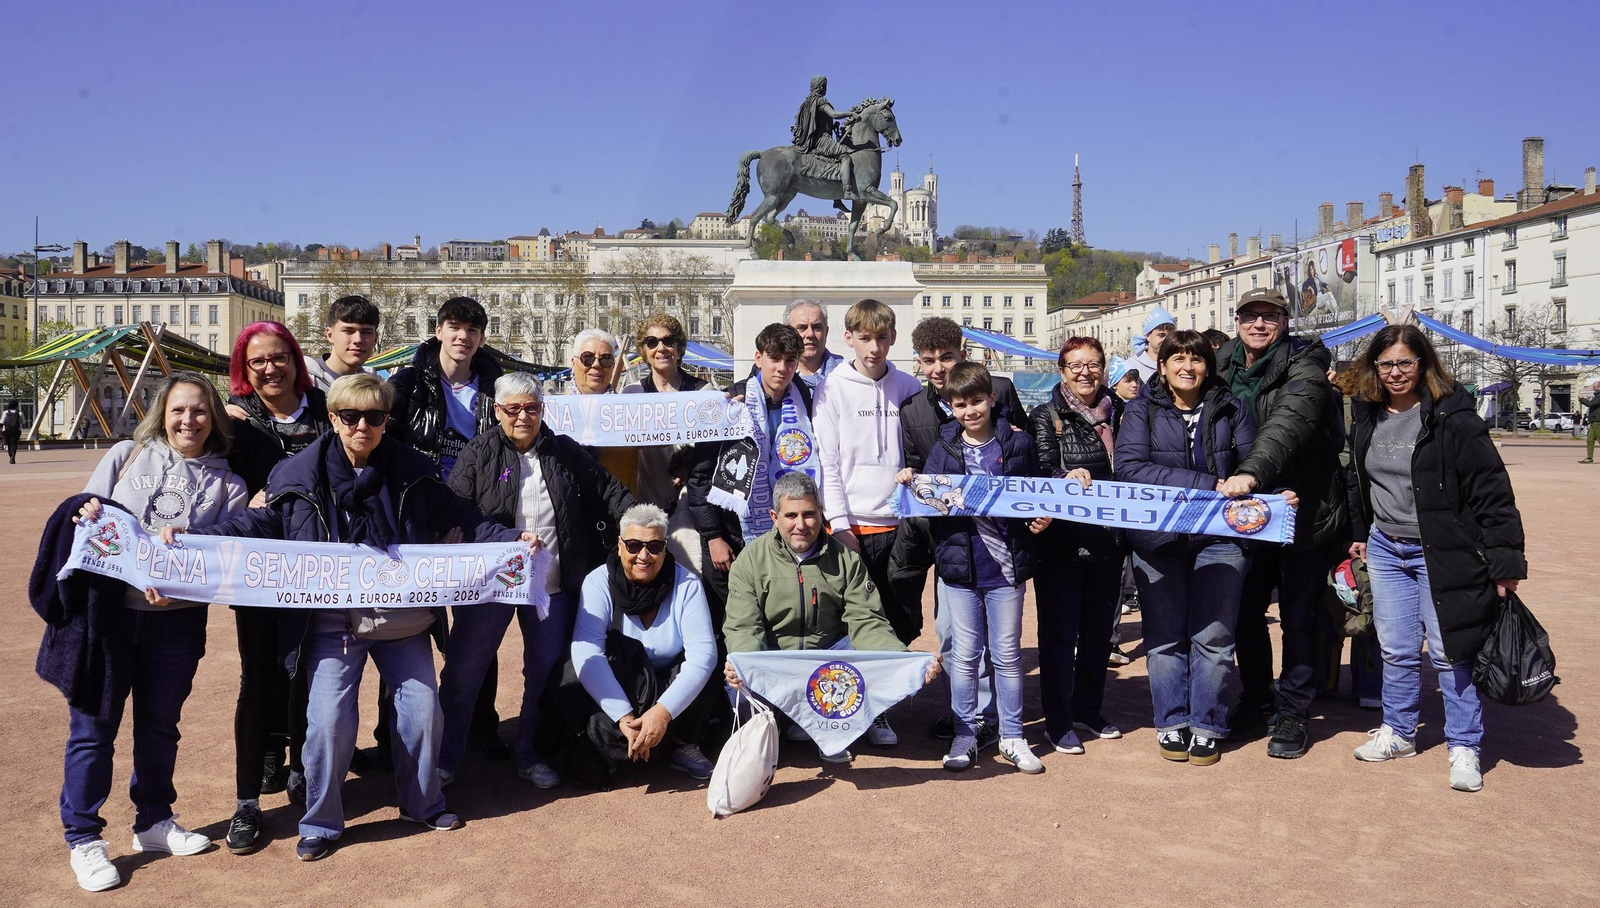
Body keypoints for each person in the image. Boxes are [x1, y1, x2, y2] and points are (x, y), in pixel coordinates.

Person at [172, 373, 537, 862]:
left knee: (423, 712)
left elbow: (466, 518)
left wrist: (510, 540)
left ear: (387, 420)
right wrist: (196, 538)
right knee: (326, 723)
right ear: (333, 418)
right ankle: (321, 822)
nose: (362, 425)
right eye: (351, 416)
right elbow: (257, 524)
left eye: (374, 416)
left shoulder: (415, 470)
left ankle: (423, 803)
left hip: (402, 619)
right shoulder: (298, 474)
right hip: (332, 622)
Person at [62, 373, 248, 892]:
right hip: (110, 616)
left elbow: (222, 563)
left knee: (160, 725)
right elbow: (83, 519)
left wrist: (181, 582)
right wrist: (86, 512)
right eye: (179, 411)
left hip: (178, 619)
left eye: (200, 411)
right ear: (162, 415)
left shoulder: (229, 484)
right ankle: (83, 837)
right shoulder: (125, 455)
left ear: (214, 418)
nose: (189, 420)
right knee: (93, 727)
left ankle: (153, 821)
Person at [1346, 325, 1526, 792]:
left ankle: (1464, 746)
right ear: (1374, 368)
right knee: (1396, 648)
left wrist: (1506, 562)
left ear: (1424, 363)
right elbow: (1360, 482)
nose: (1395, 372)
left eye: (1405, 362)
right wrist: (1360, 533)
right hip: (1386, 546)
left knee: (1451, 652)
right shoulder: (1367, 413)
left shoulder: (1454, 417)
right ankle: (1399, 732)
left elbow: (1491, 489)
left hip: (1442, 550)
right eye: (1386, 364)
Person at [440, 372, 636, 790]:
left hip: (550, 582)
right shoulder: (478, 453)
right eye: (513, 408)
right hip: (491, 584)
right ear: (498, 411)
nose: (523, 416)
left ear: (542, 409)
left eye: (531, 407)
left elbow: (609, 490)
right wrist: (478, 534)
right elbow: (454, 508)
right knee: (463, 672)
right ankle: (446, 759)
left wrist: (646, 525)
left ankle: (528, 753)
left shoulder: (564, 451)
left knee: (544, 673)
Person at [1115, 331, 1265, 766]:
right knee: (1164, 638)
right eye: (1177, 358)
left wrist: (1256, 482)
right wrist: (1208, 485)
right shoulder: (1140, 409)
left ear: (1207, 366)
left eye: (1196, 359)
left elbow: (1253, 459)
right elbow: (1129, 467)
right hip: (1158, 539)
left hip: (1220, 538)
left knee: (1215, 637)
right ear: (1161, 367)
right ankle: (1171, 721)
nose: (1187, 366)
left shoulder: (1231, 406)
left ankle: (1206, 726)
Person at [723, 472, 940, 764]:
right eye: (791, 516)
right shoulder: (750, 560)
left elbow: (867, 622)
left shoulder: (846, 559)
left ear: (821, 513)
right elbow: (743, 626)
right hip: (778, 664)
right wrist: (743, 661)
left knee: (861, 653)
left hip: (827, 665)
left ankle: (833, 728)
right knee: (734, 683)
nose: (801, 525)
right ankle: (798, 724)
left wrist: (903, 661)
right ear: (775, 517)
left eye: (809, 514)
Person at [896, 362, 1050, 774]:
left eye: (977, 401)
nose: (970, 411)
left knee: (1006, 655)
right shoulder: (943, 448)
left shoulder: (1019, 444)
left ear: (992, 399)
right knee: (964, 655)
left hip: (1005, 566)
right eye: (960, 404)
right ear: (950, 407)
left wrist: (1041, 516)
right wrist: (913, 480)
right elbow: (928, 498)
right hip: (959, 567)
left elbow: (1037, 492)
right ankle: (965, 733)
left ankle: (1013, 735)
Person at [1217, 287, 1349, 759]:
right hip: (1245, 512)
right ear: (1236, 321)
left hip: (1302, 507)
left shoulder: (1307, 363)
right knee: (1245, 613)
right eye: (1250, 316)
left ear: (1285, 322)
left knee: (1299, 617)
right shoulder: (1220, 362)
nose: (1259, 324)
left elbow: (1288, 423)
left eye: (1269, 316)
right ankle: (1255, 698)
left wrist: (1250, 474)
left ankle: (1293, 709)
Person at [221, 321, 332, 851]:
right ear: (244, 368)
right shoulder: (235, 423)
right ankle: (246, 801)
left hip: (316, 566)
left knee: (306, 672)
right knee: (258, 673)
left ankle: (299, 769)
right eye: (257, 360)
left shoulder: (328, 412)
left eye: (279, 357)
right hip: (258, 567)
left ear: (296, 360)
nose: (270, 368)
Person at [388, 296, 508, 761]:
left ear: (481, 337)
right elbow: (391, 455)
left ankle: (480, 727)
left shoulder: (497, 385)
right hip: (423, 520)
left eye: (472, 330)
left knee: (480, 627)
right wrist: (427, 521)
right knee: (407, 629)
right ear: (438, 330)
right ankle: (394, 739)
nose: (463, 337)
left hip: (479, 516)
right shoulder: (406, 385)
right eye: (454, 327)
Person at [813, 298, 924, 746]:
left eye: (881, 338)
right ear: (849, 339)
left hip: (900, 524)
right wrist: (839, 523)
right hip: (851, 527)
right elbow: (829, 462)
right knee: (848, 623)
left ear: (892, 339)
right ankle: (842, 708)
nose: (873, 348)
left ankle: (879, 710)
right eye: (864, 338)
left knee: (896, 621)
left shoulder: (908, 385)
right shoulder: (832, 387)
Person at [561, 504, 721, 784]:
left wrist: (662, 712)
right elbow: (587, 652)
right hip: (623, 684)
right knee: (573, 673)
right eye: (634, 545)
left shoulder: (687, 584)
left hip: (665, 683)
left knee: (713, 665)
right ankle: (624, 741)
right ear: (619, 544)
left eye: (655, 546)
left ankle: (682, 743)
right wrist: (623, 716)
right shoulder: (598, 582)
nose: (644, 556)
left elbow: (702, 656)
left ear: (665, 548)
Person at [1029, 337, 1127, 754]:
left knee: (1098, 635)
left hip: (1110, 543)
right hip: (1062, 546)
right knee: (1058, 635)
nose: (1085, 372)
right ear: (1062, 369)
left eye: (1094, 364)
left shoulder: (1123, 413)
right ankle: (1058, 720)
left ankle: (1089, 709)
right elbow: (1041, 466)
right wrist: (1063, 478)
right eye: (1075, 366)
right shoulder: (1046, 415)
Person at [687, 323, 815, 631]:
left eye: (790, 360)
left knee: (781, 619)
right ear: (758, 358)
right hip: (732, 534)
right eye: (775, 358)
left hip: (786, 533)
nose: (782, 368)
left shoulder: (806, 401)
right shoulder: (729, 404)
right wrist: (713, 536)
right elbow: (701, 476)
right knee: (734, 621)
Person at [623, 313, 708, 511]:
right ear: (644, 351)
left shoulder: (704, 392)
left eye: (668, 341)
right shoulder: (631, 394)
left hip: (691, 503)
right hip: (645, 503)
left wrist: (692, 462)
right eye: (652, 342)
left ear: (679, 348)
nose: (661, 348)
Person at [791, 74, 857, 205]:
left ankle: (836, 200)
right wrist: (851, 113)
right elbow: (833, 114)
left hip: (812, 140)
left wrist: (831, 126)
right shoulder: (820, 101)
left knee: (833, 162)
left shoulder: (806, 103)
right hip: (821, 140)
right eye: (825, 86)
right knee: (845, 157)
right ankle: (847, 190)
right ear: (822, 87)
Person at [304, 295, 379, 392]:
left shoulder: (377, 388)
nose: (358, 340)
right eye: (348, 331)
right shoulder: (302, 384)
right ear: (330, 335)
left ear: (375, 338)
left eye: (366, 332)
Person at [785, 299, 845, 390]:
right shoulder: (775, 374)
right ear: (787, 333)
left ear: (826, 332)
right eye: (802, 328)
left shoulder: (846, 372)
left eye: (817, 328)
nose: (810, 334)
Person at [1130, 306, 1176, 382]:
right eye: (1161, 335)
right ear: (1148, 336)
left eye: (1170, 336)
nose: (1166, 340)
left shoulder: (1179, 364)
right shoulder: (1132, 366)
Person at [1580, 381, 1600, 463]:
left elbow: (1591, 404)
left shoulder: (1599, 397)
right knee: (1590, 440)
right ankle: (1589, 458)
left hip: (1598, 421)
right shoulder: (1597, 396)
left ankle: (1589, 458)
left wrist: (1581, 398)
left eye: (1595, 387)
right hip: (1593, 421)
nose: (1594, 389)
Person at [2, 399, 20, 463]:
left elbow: (2, 422)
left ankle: (10, 456)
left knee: (9, 444)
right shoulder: (19, 413)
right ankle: (13, 455)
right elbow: (23, 422)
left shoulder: (5, 412)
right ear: (16, 405)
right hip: (16, 431)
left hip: (7, 430)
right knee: (14, 443)